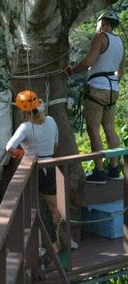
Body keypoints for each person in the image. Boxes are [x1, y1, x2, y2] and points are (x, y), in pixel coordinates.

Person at [6, 90, 78, 250]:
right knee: (56, 209)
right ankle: (65, 241)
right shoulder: (51, 121)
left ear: (23, 111)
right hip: (50, 166)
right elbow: (55, 145)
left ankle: (37, 247)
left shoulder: (25, 127)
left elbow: (9, 147)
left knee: (32, 209)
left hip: (31, 169)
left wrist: (22, 153)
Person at [67, 9, 125, 184]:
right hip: (113, 89)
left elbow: (89, 61)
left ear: (102, 23)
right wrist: (113, 84)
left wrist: (73, 70)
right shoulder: (120, 42)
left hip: (97, 88)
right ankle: (114, 169)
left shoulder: (100, 37)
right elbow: (120, 71)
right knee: (109, 127)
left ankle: (99, 172)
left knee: (93, 129)